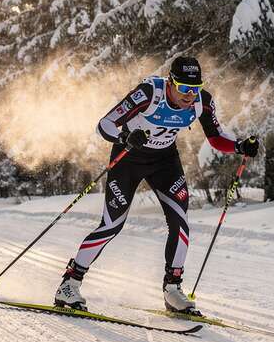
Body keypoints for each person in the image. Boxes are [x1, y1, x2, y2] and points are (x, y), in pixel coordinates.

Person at [54, 56, 259, 315]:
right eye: (184, 88)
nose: (189, 96)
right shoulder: (149, 93)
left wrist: (239, 145)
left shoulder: (202, 102)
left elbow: (216, 136)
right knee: (112, 225)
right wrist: (125, 136)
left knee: (180, 221)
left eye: (194, 89)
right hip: (128, 158)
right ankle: (69, 284)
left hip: (165, 161)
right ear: (170, 82)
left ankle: (172, 289)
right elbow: (104, 125)